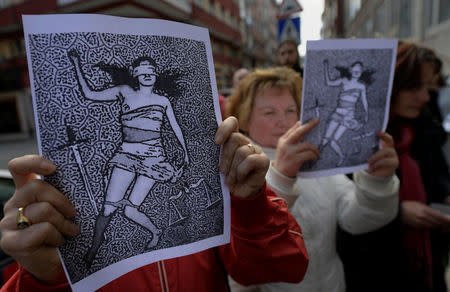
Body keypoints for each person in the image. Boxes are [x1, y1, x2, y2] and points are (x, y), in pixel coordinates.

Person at [0, 116, 309, 291]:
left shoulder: (210, 172)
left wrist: (250, 206)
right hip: (127, 161)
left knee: (126, 207)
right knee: (111, 208)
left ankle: (151, 233)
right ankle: (105, 242)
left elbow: (283, 266)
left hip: (157, 165)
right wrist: (48, 278)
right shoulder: (55, 211)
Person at [226, 67, 399, 292]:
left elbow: (356, 220)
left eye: (290, 110)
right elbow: (242, 268)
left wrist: (377, 180)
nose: (284, 121)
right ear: (245, 118)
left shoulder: (315, 156)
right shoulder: (235, 168)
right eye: (269, 113)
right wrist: (281, 177)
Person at [338, 42, 450, 292]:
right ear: (387, 87)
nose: (424, 97)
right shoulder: (356, 139)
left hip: (428, 267)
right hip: (377, 272)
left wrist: (445, 197)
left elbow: (440, 177)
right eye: (413, 87)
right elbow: (343, 218)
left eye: (429, 86)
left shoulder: (427, 128)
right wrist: (399, 213)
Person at [68, 52, 189, 265]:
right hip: (127, 154)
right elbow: (89, 94)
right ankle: (96, 243)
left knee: (130, 209)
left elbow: (176, 127)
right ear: (135, 74)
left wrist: (185, 152)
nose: (147, 73)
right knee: (108, 207)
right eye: (143, 69)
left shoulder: (162, 100)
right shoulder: (124, 92)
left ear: (156, 74)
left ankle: (155, 232)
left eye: (151, 69)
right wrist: (77, 64)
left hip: (154, 159)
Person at [320, 60, 374, 166]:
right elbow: (329, 82)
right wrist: (325, 66)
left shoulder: (361, 86)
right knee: (326, 138)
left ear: (361, 71)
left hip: (349, 116)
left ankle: (341, 156)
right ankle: (317, 155)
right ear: (351, 69)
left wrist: (367, 114)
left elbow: (364, 101)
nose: (357, 70)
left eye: (359, 69)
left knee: (333, 140)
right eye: (355, 68)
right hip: (337, 112)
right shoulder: (344, 80)